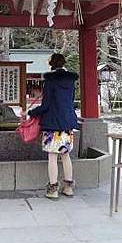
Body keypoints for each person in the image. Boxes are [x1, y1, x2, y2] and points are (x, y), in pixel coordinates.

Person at [27, 53, 79, 200]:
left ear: (52, 64)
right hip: (67, 123)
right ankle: (68, 188)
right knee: (66, 155)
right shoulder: (71, 81)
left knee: (52, 156)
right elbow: (70, 102)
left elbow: (46, 105)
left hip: (53, 125)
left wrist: (31, 112)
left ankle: (53, 189)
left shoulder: (50, 81)